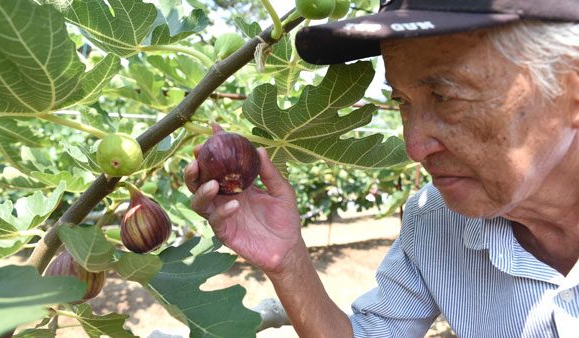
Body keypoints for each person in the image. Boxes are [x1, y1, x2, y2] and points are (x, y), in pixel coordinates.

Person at [184, 0, 579, 336]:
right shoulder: (435, 220)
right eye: (403, 102)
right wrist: (287, 261)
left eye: (445, 96)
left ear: (570, 89)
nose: (413, 147)